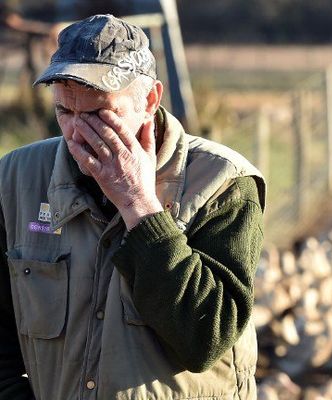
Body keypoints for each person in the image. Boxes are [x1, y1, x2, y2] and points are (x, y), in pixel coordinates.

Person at [0, 14, 265, 400]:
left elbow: (205, 340)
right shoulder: (16, 178)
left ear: (150, 100)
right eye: (64, 112)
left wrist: (138, 205)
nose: (77, 134)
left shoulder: (223, 182)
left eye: (97, 115)